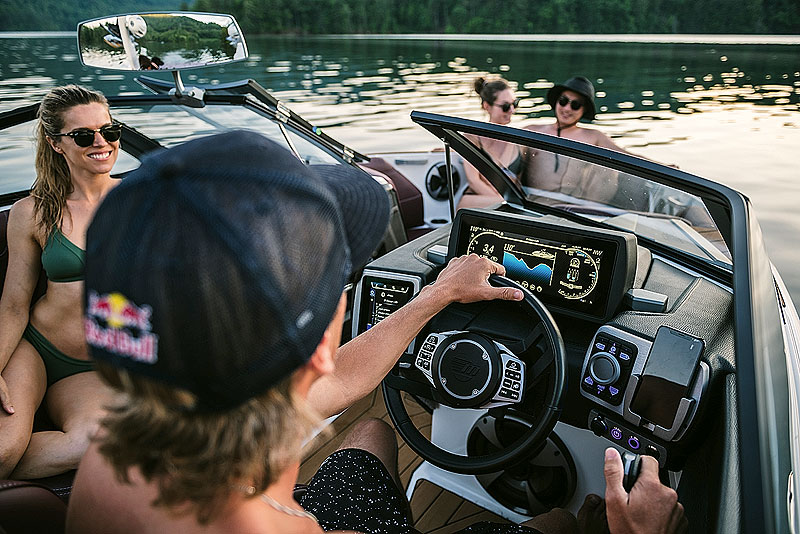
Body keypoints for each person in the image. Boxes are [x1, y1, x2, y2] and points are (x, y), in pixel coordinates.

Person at [66, 131, 686, 534]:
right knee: (549, 526)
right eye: (337, 281)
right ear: (321, 343)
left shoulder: (119, 442)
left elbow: (338, 381)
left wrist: (437, 295)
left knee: (368, 431)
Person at [0, 85, 118, 479]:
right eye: (84, 135)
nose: (101, 142)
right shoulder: (32, 212)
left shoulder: (140, 201)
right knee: (3, 451)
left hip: (93, 366)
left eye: (109, 131)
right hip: (37, 348)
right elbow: (14, 304)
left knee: (92, 443)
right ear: (56, 143)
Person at [457, 76, 523, 211]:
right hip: (479, 201)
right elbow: (474, 181)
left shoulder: (519, 139)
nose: (512, 110)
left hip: (509, 204)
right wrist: (504, 202)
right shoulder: (472, 138)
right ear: (487, 106)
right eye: (505, 106)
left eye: (514, 104)